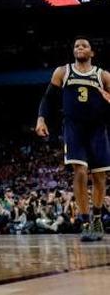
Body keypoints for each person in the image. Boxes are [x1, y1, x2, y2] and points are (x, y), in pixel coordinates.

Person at [36, 37, 110, 241]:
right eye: (76, 45)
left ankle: (97, 217)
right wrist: (41, 119)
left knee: (100, 177)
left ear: (92, 53)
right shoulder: (63, 71)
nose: (79, 47)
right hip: (74, 127)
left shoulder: (103, 75)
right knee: (80, 171)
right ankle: (85, 221)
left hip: (97, 128)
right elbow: (48, 98)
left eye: (84, 45)